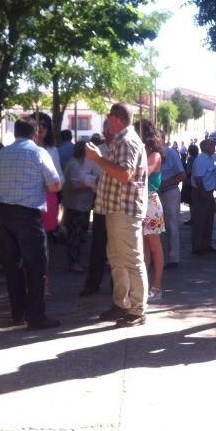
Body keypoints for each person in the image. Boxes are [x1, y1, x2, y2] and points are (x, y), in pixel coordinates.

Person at [0, 118, 62, 330]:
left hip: (2, 214)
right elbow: (55, 185)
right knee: (36, 266)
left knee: (12, 266)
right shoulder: (39, 153)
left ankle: (17, 313)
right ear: (35, 133)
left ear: (15, 133)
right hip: (28, 214)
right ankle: (36, 316)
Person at [85, 103, 149, 328]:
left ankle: (137, 309)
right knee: (117, 259)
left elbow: (124, 174)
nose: (107, 120)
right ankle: (122, 304)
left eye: (109, 116)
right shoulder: (122, 140)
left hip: (124, 210)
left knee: (131, 259)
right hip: (117, 209)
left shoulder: (126, 141)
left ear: (116, 118)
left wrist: (96, 158)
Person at [79, 121, 113, 296]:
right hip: (101, 202)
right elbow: (83, 175)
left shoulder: (125, 149)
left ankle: (118, 286)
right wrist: (95, 181)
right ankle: (93, 283)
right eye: (110, 130)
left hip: (120, 206)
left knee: (118, 248)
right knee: (98, 245)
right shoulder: (95, 151)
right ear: (105, 132)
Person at [137, 120, 166, 300]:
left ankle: (157, 286)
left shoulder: (154, 155)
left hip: (150, 202)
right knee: (144, 248)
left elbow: (143, 173)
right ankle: (145, 285)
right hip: (140, 201)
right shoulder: (146, 153)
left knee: (155, 247)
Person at [62, 141, 95, 272]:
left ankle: (77, 261)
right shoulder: (75, 165)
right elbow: (75, 186)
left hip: (82, 206)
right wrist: (93, 182)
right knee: (74, 236)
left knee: (80, 235)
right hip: (75, 206)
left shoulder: (78, 164)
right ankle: (73, 262)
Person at [159, 132, 186, 269]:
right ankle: (160, 257)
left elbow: (182, 175)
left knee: (172, 225)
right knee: (158, 226)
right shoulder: (152, 154)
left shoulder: (171, 154)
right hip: (156, 193)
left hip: (169, 192)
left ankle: (173, 257)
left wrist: (166, 183)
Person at [190, 138, 216, 255]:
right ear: (204, 147)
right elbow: (198, 179)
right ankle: (197, 247)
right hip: (201, 193)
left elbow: (210, 177)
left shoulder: (209, 159)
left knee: (208, 220)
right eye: (210, 144)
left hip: (208, 193)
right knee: (199, 220)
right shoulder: (201, 160)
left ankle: (206, 245)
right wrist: (203, 194)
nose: (213, 146)